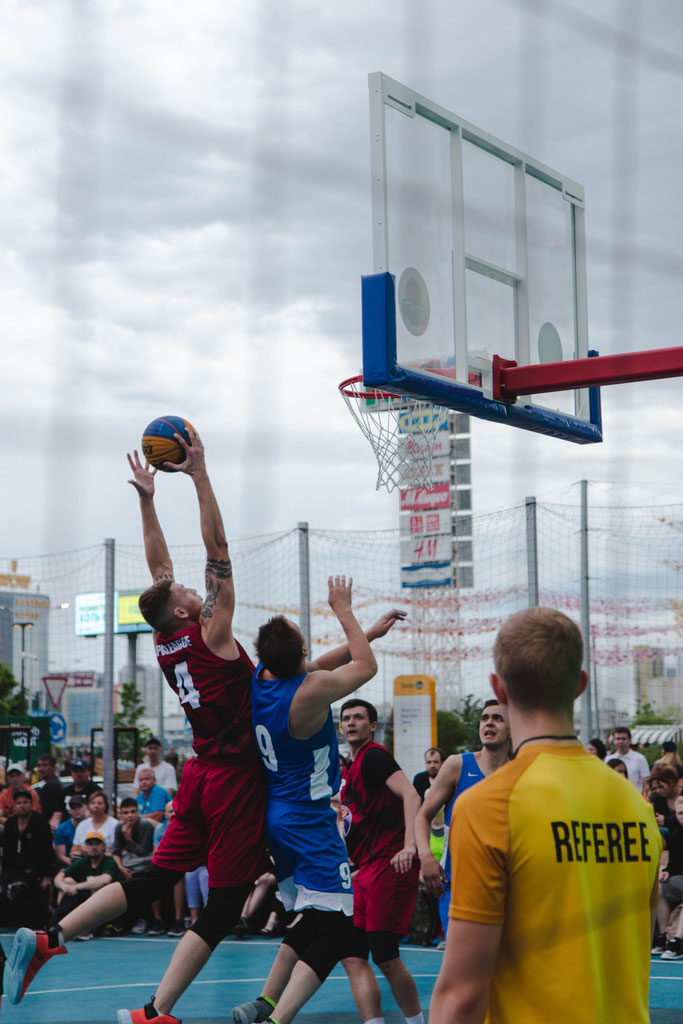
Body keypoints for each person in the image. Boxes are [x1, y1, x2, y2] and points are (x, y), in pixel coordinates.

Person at [8, 430, 269, 1023]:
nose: (190, 586)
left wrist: (148, 499)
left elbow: (159, 567)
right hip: (231, 780)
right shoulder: (213, 633)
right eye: (185, 590)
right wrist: (199, 475)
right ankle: (155, 1012)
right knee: (224, 908)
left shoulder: (167, 638)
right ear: (185, 608)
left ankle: (49, 938)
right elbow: (218, 547)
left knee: (155, 879)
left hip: (201, 774)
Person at [429, 606, 662, 1024]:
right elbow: (636, 946)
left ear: (498, 688)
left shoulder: (489, 805)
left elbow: (462, 995)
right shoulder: (636, 806)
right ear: (579, 685)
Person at [231, 576, 405, 1024]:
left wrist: (368, 634)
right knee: (341, 926)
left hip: (279, 816)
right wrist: (343, 609)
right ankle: (277, 1018)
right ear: (300, 655)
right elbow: (365, 669)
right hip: (309, 822)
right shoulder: (307, 694)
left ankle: (265, 1001)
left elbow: (321, 663)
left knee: (314, 917)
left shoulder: (263, 677)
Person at [338, 698, 424, 1024]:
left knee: (385, 955)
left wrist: (410, 847)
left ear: (372, 725)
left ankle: (417, 1022)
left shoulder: (374, 757)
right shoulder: (349, 767)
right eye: (346, 718)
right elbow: (351, 820)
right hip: (365, 869)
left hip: (391, 863)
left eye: (359, 717)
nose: (351, 723)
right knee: (352, 955)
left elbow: (412, 794)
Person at [414, 699, 510, 942]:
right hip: (456, 883)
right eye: (485, 718)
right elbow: (422, 816)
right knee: (464, 968)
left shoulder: (522, 771)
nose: (489, 722)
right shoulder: (459, 764)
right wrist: (426, 856)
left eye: (498, 718)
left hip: (505, 885)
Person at [52, 831, 124, 938]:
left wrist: (77, 887)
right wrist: (65, 887)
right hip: (87, 901)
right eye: (90, 844)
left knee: (96, 885)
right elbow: (58, 877)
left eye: (97, 844)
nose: (93, 847)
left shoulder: (109, 861)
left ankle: (85, 928)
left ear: (103, 846)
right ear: (85, 847)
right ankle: (60, 923)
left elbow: (105, 879)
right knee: (67, 881)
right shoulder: (84, 862)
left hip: (111, 908)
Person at [0, 790, 54, 928]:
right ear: (14, 805)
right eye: (18, 803)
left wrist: (47, 876)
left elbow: (48, 852)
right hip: (13, 870)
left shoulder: (41, 824)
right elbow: (7, 853)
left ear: (31, 804)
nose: (22, 805)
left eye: (25, 802)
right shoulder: (10, 824)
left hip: (35, 872)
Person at [652, 794, 683, 957]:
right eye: (680, 813)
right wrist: (667, 872)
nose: (682, 817)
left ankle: (677, 942)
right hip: (680, 881)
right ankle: (662, 937)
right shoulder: (676, 835)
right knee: (660, 887)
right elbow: (675, 864)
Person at [70, 790, 118, 856]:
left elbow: (118, 853)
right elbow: (73, 852)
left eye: (100, 803)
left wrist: (95, 853)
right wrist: (82, 852)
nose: (96, 806)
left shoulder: (115, 825)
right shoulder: (82, 825)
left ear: (106, 806)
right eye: (93, 803)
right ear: (88, 806)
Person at [611, 726, 650, 793]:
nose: (620, 741)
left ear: (629, 740)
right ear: (614, 741)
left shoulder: (640, 758)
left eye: (624, 739)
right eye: (618, 739)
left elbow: (646, 782)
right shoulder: (609, 759)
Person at [53, 795, 88, 868]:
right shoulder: (61, 829)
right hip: (70, 865)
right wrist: (77, 866)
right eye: (73, 807)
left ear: (86, 807)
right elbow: (61, 856)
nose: (76, 810)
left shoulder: (91, 824)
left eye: (79, 806)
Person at [35, 754, 65, 832]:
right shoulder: (54, 783)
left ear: (53, 767)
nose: (41, 769)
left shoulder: (51, 785)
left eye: (45, 765)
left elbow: (44, 809)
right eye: (39, 765)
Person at [648, 764, 680, 831]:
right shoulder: (658, 798)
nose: (658, 790)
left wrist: (667, 820)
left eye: (661, 786)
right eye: (655, 788)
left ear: (671, 782)